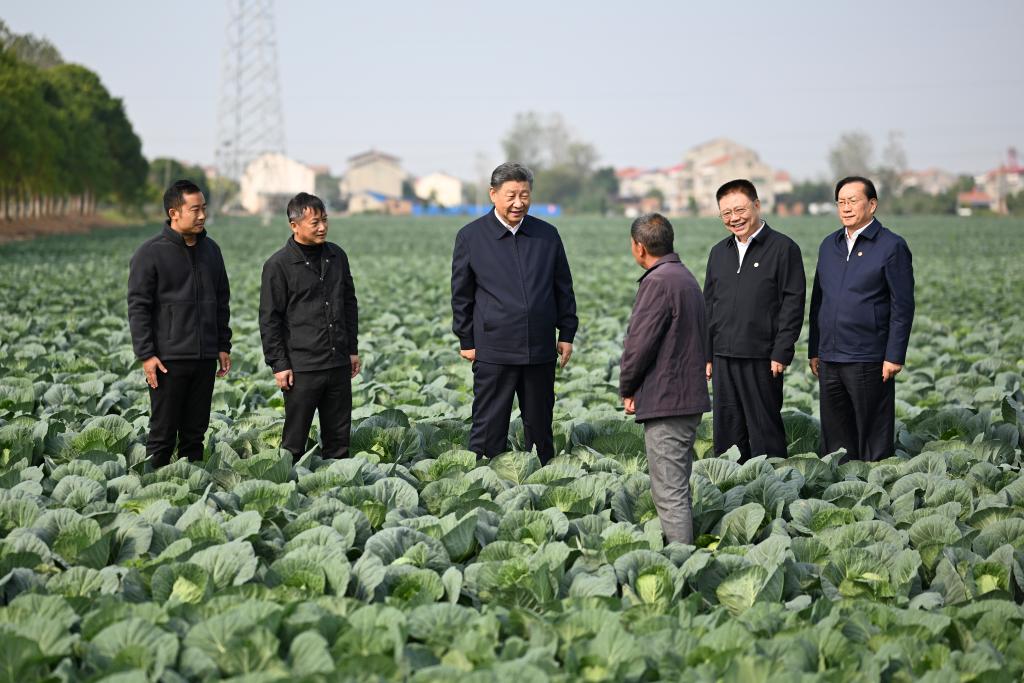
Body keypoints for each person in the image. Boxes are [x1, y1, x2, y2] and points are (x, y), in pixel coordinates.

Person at [450, 162, 578, 463]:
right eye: (511, 195)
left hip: (539, 348)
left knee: (540, 426)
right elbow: (461, 294)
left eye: (525, 195)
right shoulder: (471, 236)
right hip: (494, 348)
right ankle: (485, 477)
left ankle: (543, 476)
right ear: (493, 194)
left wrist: (567, 333)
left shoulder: (547, 235)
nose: (518, 203)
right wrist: (466, 340)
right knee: (488, 427)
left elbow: (563, 287)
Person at [808, 176, 915, 461]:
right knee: (835, 434)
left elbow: (902, 306)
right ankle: (839, 481)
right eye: (841, 202)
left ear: (872, 204)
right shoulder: (829, 245)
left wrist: (894, 356)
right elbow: (818, 300)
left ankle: (877, 480)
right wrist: (815, 349)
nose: (846, 207)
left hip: (868, 356)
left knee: (872, 433)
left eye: (853, 201)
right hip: (830, 356)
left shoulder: (891, 246)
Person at [127, 179, 232, 468]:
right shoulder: (150, 253)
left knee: (195, 436)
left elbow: (221, 301)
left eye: (204, 208)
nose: (202, 215)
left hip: (204, 358)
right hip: (167, 360)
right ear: (174, 213)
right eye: (195, 209)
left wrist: (222, 345)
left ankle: (193, 486)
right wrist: (146, 354)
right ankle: (152, 486)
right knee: (162, 435)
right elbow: (138, 307)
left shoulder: (211, 251)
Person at [620, 213, 710, 545]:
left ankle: (682, 562)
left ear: (639, 247)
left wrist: (628, 387)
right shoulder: (684, 276)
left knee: (669, 492)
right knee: (677, 487)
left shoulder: (657, 282)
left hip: (667, 400)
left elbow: (639, 345)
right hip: (686, 398)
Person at [703, 179, 805, 461]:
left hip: (762, 356)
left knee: (764, 430)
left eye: (739, 210)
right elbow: (708, 305)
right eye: (726, 213)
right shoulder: (718, 252)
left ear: (757, 205)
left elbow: (792, 304)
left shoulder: (783, 248)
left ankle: (772, 481)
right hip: (723, 356)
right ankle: (731, 483)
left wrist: (782, 350)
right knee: (727, 431)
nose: (734, 218)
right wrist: (706, 353)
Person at [259, 193, 360, 459]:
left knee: (339, 440)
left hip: (337, 362)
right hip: (302, 367)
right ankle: (289, 481)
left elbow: (349, 304)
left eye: (325, 220)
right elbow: (270, 319)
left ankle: (337, 480)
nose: (323, 227)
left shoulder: (337, 256)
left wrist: (351, 349)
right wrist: (279, 364)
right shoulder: (278, 265)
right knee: (294, 441)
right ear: (294, 225)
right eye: (315, 222)